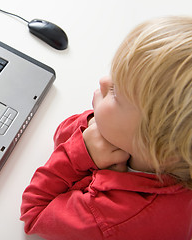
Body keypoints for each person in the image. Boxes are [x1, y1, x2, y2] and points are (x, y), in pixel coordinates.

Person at [20, 16, 192, 240]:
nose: (103, 81)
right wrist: (95, 124)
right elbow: (63, 132)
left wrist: (79, 153)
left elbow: (34, 214)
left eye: (117, 93)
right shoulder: (159, 147)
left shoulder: (109, 218)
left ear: (159, 147)